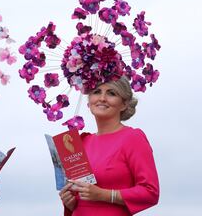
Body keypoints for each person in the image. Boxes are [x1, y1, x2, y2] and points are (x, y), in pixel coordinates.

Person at [59, 76, 159, 216]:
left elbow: (150, 192)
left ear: (124, 104)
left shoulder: (133, 138)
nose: (102, 98)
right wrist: (70, 203)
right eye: (96, 91)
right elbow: (80, 199)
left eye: (111, 93)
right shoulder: (81, 142)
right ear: (88, 102)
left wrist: (105, 195)